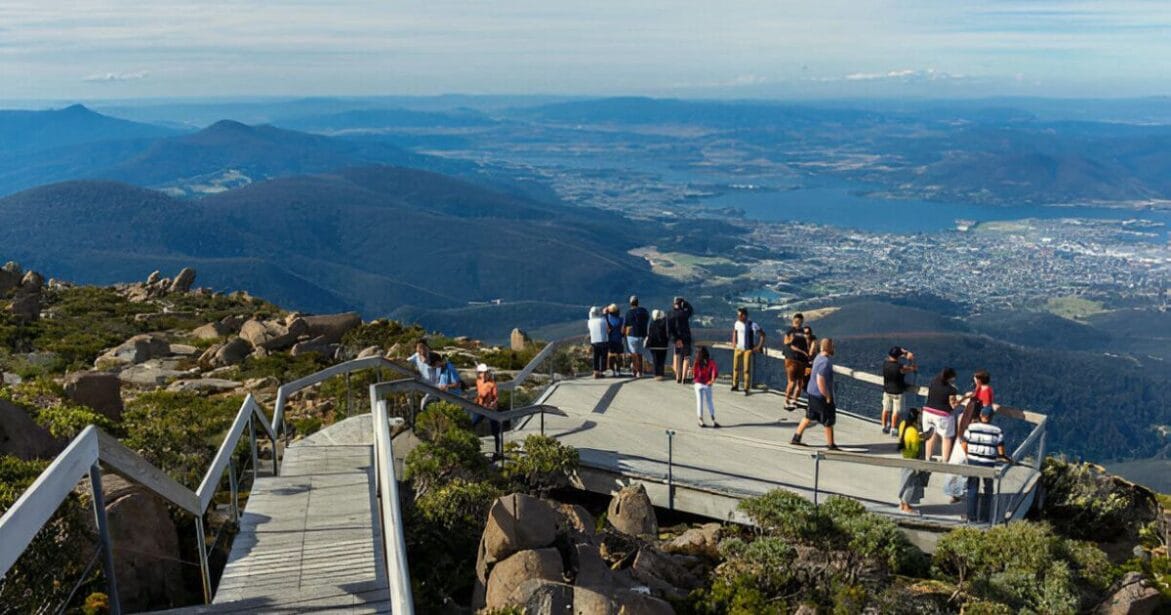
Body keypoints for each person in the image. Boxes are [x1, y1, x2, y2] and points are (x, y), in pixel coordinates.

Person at [961, 406, 1009, 523]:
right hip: (988, 463)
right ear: (991, 417)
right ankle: (984, 518)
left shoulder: (971, 428)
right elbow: (1001, 450)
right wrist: (1003, 457)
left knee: (972, 488)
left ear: (981, 416)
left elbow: (964, 444)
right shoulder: (997, 431)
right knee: (988, 489)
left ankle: (971, 517)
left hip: (973, 461)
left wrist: (969, 455)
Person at [790, 338, 839, 450]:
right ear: (829, 348)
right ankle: (831, 444)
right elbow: (820, 379)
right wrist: (827, 395)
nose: (834, 348)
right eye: (832, 346)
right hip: (820, 395)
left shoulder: (818, 358)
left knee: (810, 415)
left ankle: (796, 438)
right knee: (828, 419)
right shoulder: (825, 362)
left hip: (812, 393)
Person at [923, 368, 961, 462]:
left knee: (930, 435)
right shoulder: (951, 390)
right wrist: (964, 398)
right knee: (946, 437)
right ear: (950, 378)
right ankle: (945, 460)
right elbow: (953, 405)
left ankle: (928, 457)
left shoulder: (933, 382)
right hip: (942, 415)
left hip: (928, 412)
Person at [897, 407, 928, 514]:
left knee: (904, 481)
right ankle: (906, 506)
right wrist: (922, 439)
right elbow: (915, 448)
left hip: (904, 457)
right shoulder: (913, 432)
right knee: (911, 483)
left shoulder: (903, 425)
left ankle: (902, 503)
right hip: (912, 459)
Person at [881, 346, 917, 435]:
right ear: (898, 356)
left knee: (885, 409)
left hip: (887, 390)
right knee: (895, 411)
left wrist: (903, 353)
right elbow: (913, 368)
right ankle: (893, 428)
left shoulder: (885, 364)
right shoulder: (900, 367)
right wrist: (910, 358)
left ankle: (884, 426)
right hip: (897, 392)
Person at [731, 307, 765, 395]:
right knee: (735, 368)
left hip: (748, 349)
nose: (738, 317)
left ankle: (746, 387)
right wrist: (734, 342)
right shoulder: (737, 323)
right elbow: (735, 332)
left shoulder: (752, 324)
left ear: (744, 315)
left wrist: (758, 346)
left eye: (740, 315)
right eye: (738, 315)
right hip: (738, 348)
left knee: (746, 369)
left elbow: (762, 334)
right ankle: (735, 385)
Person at [782, 313, 809, 410]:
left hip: (801, 360)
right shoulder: (790, 331)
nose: (798, 323)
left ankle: (794, 400)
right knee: (792, 382)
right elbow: (785, 342)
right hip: (791, 358)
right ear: (793, 321)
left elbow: (807, 344)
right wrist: (790, 341)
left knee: (800, 382)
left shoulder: (803, 332)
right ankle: (786, 401)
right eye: (796, 321)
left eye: (799, 322)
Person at [474, 363, 503, 455]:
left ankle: (497, 452)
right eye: (481, 373)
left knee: (495, 430)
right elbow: (479, 394)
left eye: (484, 373)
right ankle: (475, 447)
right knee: (472, 424)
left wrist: (492, 404)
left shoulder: (492, 383)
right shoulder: (478, 381)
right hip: (480, 408)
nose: (482, 374)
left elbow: (496, 397)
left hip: (490, 409)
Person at [667, 296, 694, 383]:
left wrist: (674, 339)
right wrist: (686, 304)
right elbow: (691, 311)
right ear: (681, 304)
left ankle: (678, 377)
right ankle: (684, 378)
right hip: (686, 338)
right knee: (686, 357)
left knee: (678, 356)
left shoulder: (670, 314)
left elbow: (668, 329)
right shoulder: (684, 313)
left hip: (677, 339)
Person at [624, 295, 650, 378]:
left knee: (634, 354)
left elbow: (626, 324)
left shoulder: (628, 313)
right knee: (640, 354)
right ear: (638, 302)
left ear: (630, 303)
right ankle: (640, 372)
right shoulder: (644, 311)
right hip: (642, 334)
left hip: (632, 335)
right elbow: (647, 319)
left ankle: (634, 371)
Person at [693, 346, 719, 428]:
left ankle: (701, 420)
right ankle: (713, 420)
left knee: (699, 402)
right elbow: (715, 372)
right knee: (709, 402)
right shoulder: (711, 362)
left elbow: (695, 374)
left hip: (698, 384)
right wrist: (712, 380)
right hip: (707, 384)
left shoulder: (696, 362)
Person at [647, 309, 670, 380]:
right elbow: (667, 333)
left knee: (655, 360)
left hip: (654, 345)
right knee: (662, 360)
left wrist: (649, 343)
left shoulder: (652, 323)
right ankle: (661, 373)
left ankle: (656, 374)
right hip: (663, 345)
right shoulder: (665, 323)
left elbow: (650, 335)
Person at [605, 304, 625, 377]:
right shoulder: (621, 319)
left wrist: (605, 313)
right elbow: (622, 330)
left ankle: (612, 369)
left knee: (611, 355)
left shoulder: (607, 318)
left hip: (610, 339)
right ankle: (618, 370)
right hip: (619, 339)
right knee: (619, 355)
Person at [587, 306, 608, 378]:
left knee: (596, 357)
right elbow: (607, 329)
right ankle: (602, 371)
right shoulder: (603, 320)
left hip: (594, 341)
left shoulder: (590, 322)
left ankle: (596, 371)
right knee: (603, 357)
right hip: (603, 341)